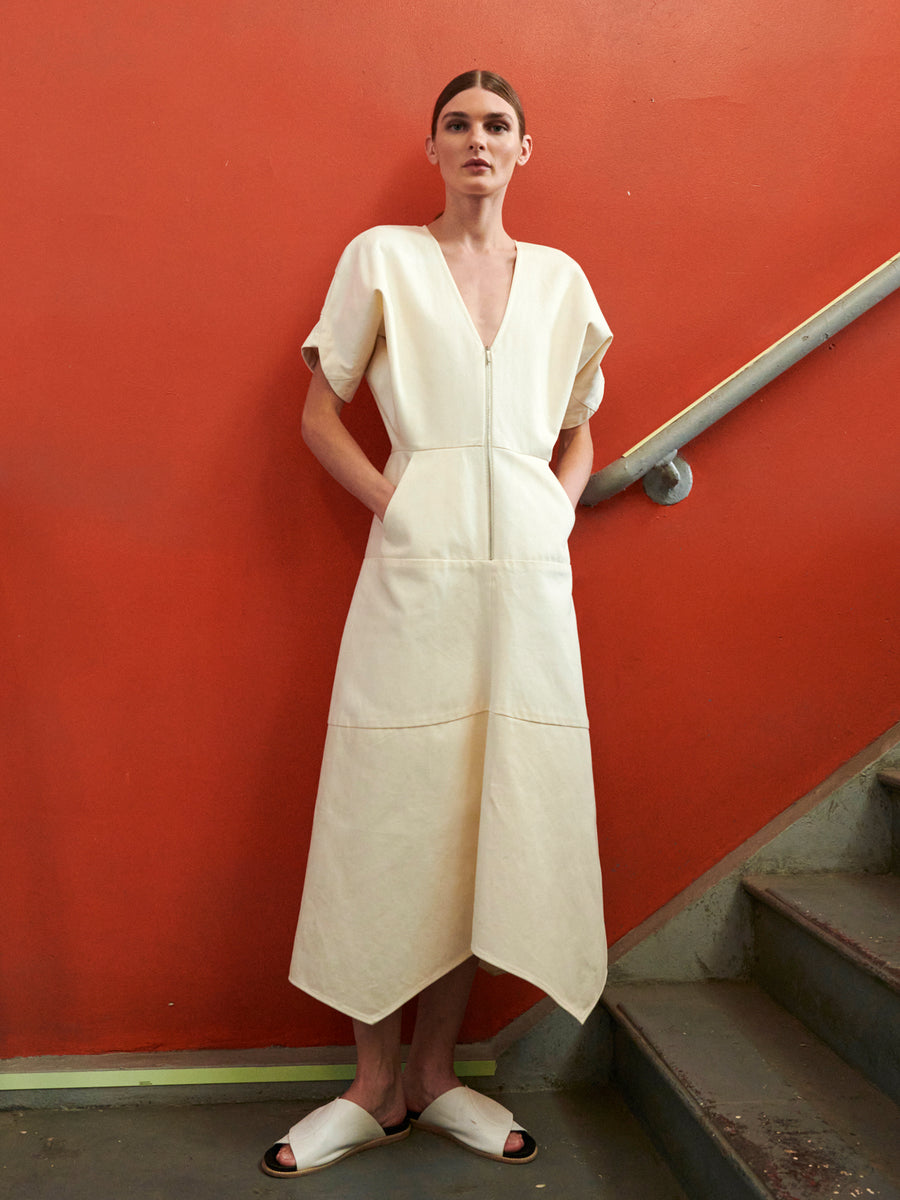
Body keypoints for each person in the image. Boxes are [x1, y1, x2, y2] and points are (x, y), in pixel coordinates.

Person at [261, 69, 612, 1178]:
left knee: (490, 804)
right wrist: (397, 504)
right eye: (457, 123)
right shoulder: (383, 258)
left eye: (496, 125)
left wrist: (556, 508)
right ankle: (371, 1083)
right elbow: (322, 411)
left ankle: (435, 1073)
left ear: (524, 151)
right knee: (389, 804)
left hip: (527, 583)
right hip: (414, 571)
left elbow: (581, 427)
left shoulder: (560, 282)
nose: (477, 139)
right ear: (432, 147)